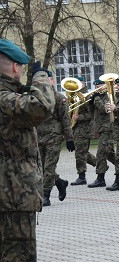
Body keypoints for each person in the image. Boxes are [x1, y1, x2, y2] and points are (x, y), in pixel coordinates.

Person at [0, 39, 55, 262]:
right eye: (20, 66)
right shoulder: (4, 97)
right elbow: (41, 107)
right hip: (13, 193)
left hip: (10, 191)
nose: (22, 71)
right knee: (18, 256)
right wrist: (41, 77)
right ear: (12, 65)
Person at [36, 71, 72, 207]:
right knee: (42, 168)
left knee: (49, 167)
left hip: (54, 137)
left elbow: (65, 119)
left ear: (51, 81)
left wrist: (69, 138)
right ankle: (60, 183)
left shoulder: (58, 97)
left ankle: (46, 195)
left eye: (47, 80)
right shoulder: (36, 98)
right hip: (39, 137)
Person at [87, 79, 114, 188]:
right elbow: (92, 113)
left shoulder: (109, 96)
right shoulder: (99, 97)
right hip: (101, 128)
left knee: (101, 154)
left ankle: (100, 178)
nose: (98, 88)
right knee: (113, 156)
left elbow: (104, 109)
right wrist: (90, 103)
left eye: (100, 85)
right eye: (97, 86)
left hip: (108, 129)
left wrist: (96, 98)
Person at [70, 76, 97, 185]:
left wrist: (78, 117)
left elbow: (91, 114)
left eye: (78, 84)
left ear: (83, 84)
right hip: (76, 128)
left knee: (80, 153)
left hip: (85, 129)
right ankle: (99, 163)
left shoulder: (88, 96)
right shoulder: (74, 96)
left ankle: (82, 176)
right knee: (81, 152)